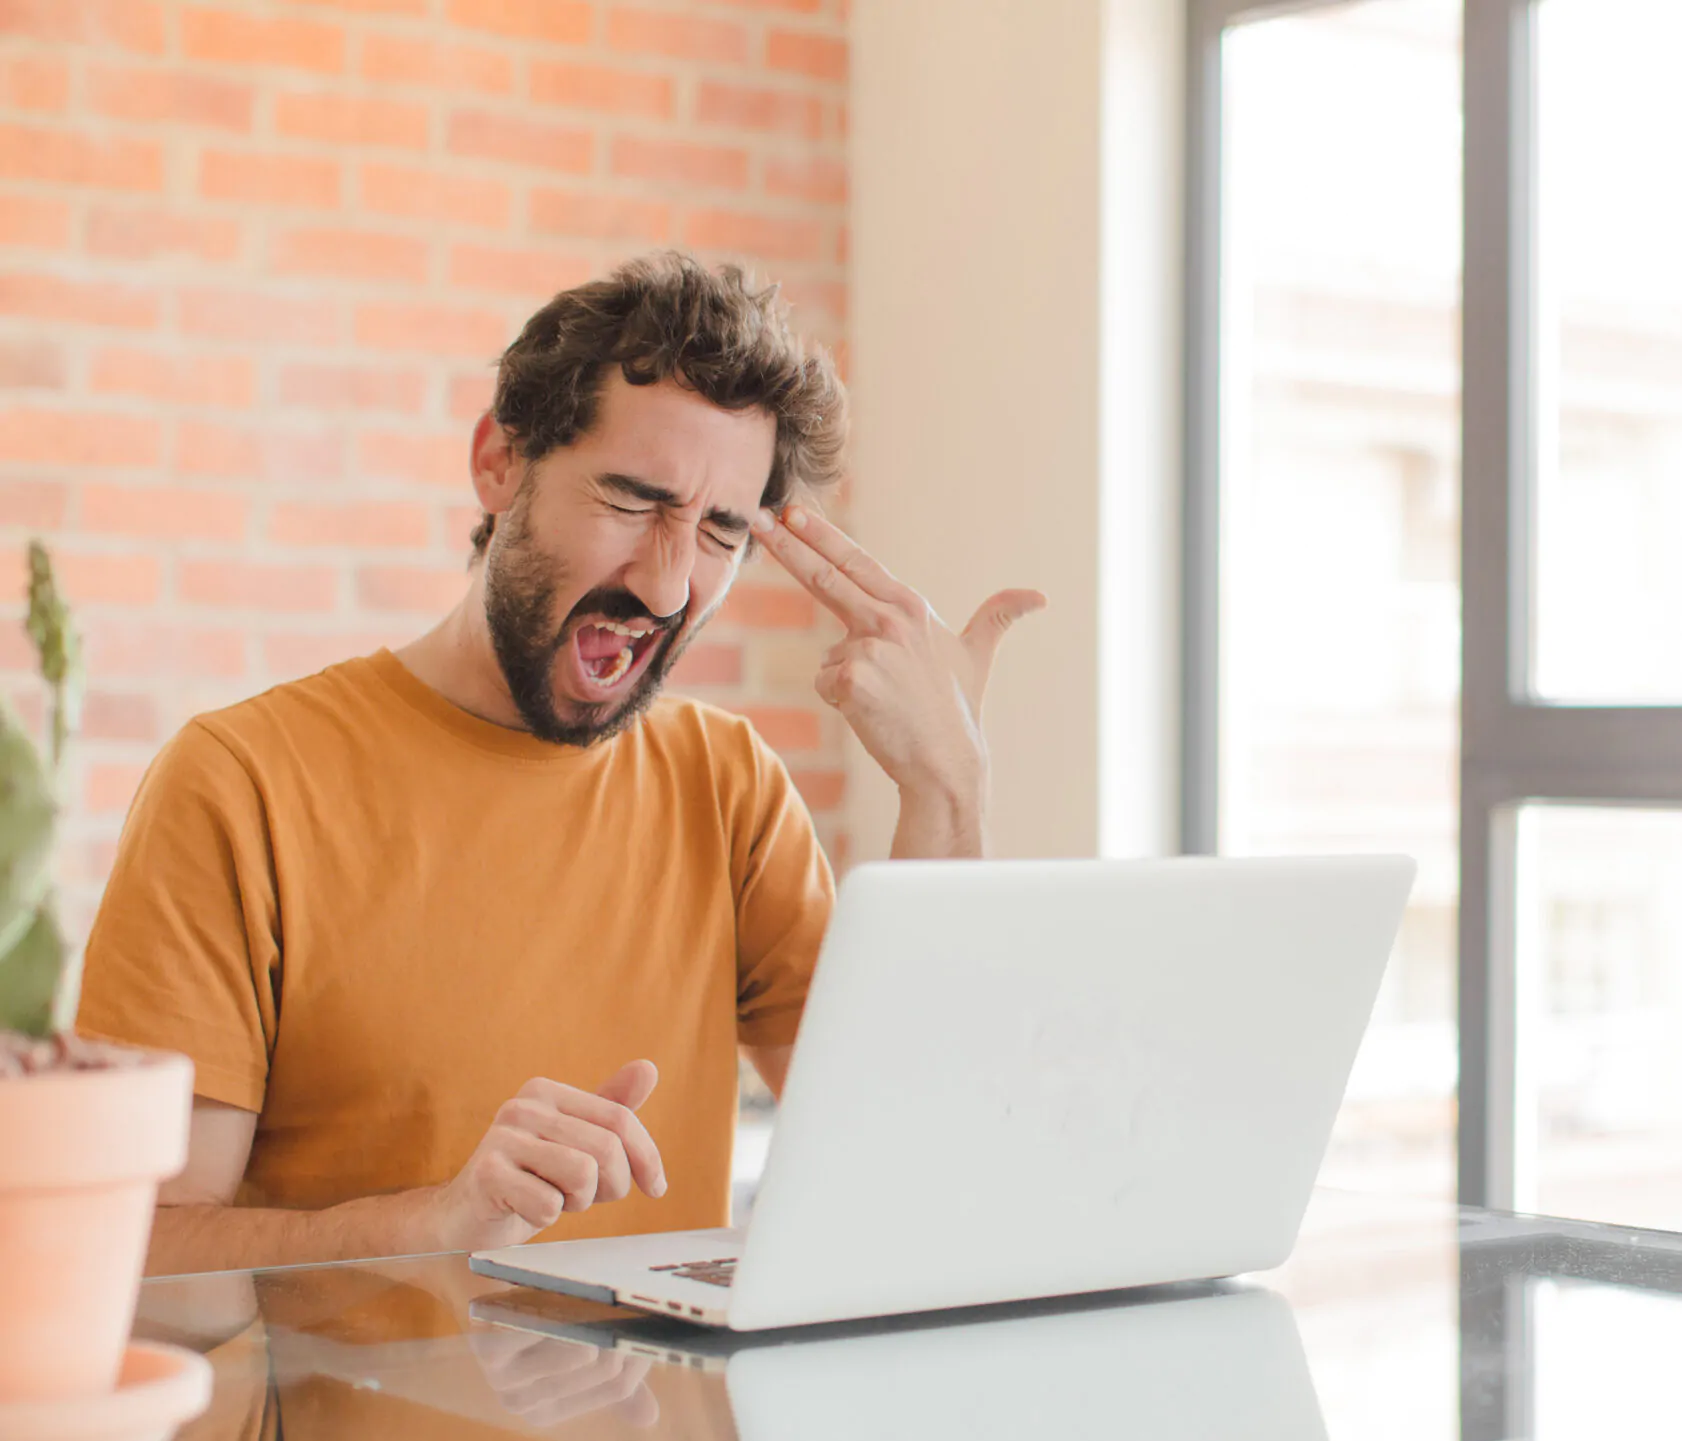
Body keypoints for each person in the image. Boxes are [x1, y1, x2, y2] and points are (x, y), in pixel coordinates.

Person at [78, 252, 1044, 1277]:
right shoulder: (240, 784)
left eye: (720, 528)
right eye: (634, 501)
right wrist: (434, 1225)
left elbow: (919, 1163)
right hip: (355, 1438)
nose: (671, 587)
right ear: (499, 463)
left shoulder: (727, 785)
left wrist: (947, 789)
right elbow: (135, 1262)